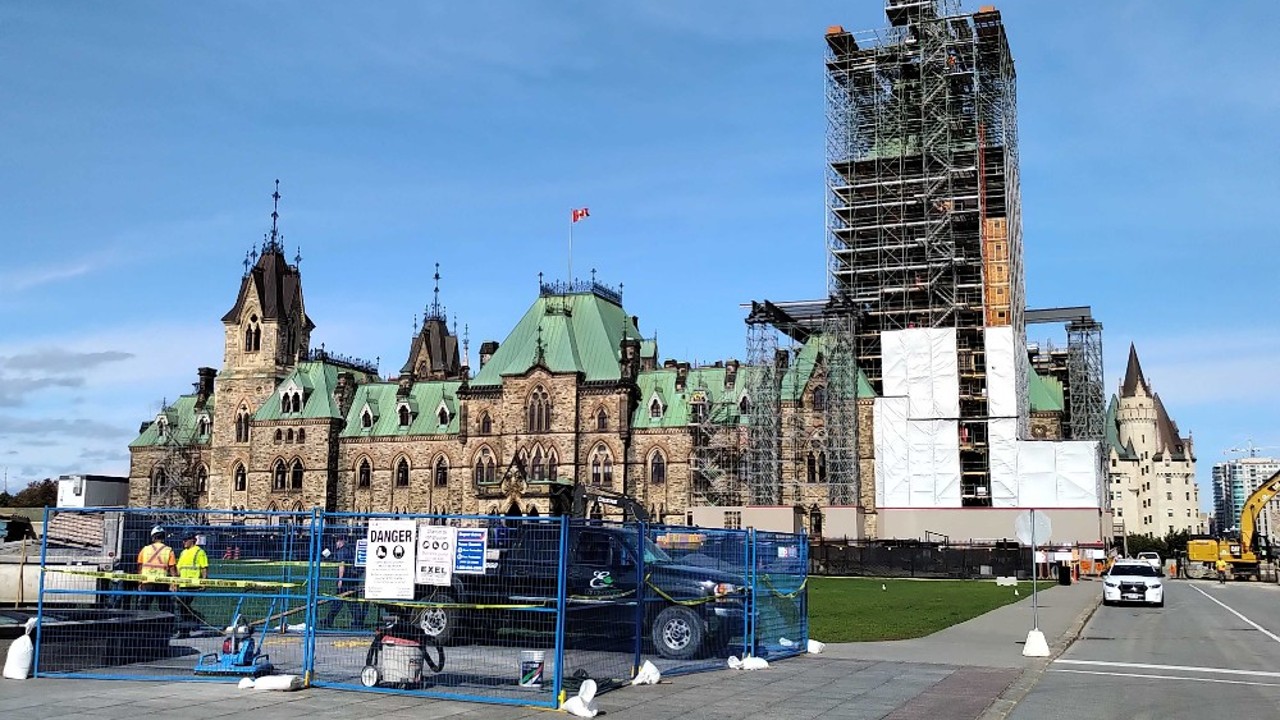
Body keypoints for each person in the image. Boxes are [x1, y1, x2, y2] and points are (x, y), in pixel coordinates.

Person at [324, 536, 369, 629]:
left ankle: (329, 621)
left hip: (345, 580)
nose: (335, 544)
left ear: (340, 541)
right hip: (353, 578)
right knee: (349, 602)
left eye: (336, 541)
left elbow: (342, 566)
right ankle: (330, 620)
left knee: (344, 602)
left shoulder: (342, 551)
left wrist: (340, 580)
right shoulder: (351, 550)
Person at [174, 532, 209, 637]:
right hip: (182, 584)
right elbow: (179, 569)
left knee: (180, 605)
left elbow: (204, 568)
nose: (183, 542)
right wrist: (175, 582)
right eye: (183, 540)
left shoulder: (199, 552)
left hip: (192, 584)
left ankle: (188, 625)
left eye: (185, 540)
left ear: (193, 540)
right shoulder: (183, 552)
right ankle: (193, 622)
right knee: (183, 607)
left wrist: (204, 582)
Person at [136, 526, 177, 614]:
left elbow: (140, 567)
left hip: (147, 581)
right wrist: (174, 584)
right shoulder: (169, 550)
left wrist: (140, 582)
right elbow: (172, 569)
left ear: (153, 537)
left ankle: (141, 621)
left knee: (143, 607)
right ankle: (167, 622)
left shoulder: (145, 550)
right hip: (162, 582)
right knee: (165, 607)